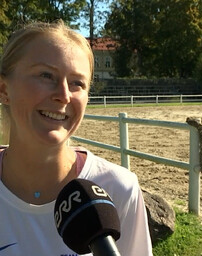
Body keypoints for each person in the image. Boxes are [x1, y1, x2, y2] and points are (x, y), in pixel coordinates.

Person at [0, 20, 153, 256]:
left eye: (77, 83)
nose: (63, 95)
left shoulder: (119, 189)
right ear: (3, 90)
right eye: (46, 75)